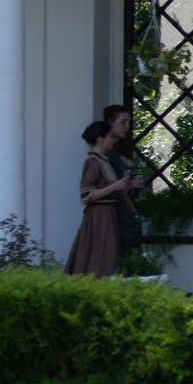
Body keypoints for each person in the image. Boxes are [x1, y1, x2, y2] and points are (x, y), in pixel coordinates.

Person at [64, 105, 141, 277]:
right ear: (101, 139)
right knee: (98, 257)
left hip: (108, 215)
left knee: (108, 257)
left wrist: (124, 188)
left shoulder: (102, 160)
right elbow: (85, 195)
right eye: (109, 137)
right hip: (98, 216)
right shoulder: (92, 162)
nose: (112, 140)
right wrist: (115, 186)